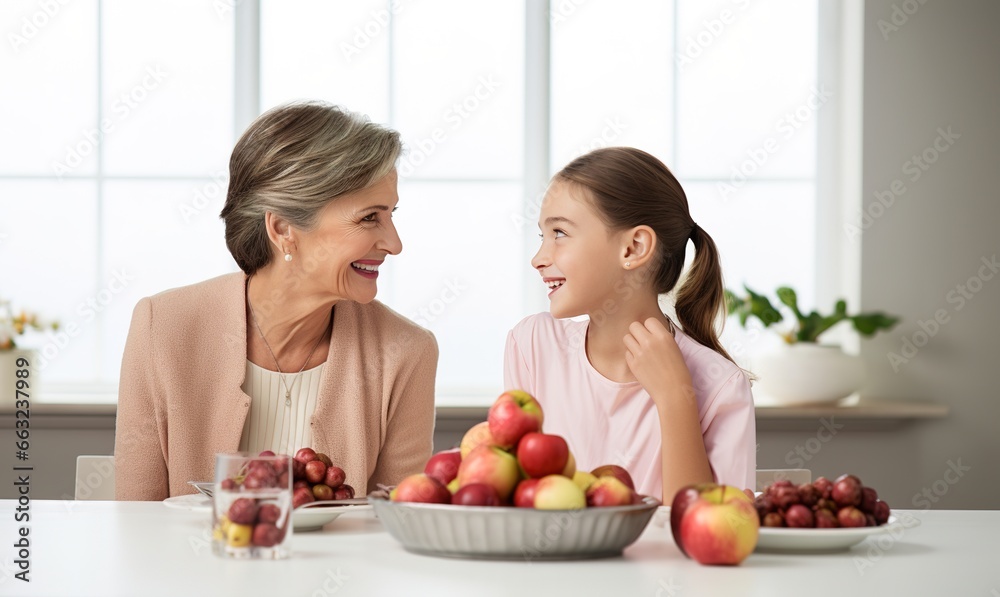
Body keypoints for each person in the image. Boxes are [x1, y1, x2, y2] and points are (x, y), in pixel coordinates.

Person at [114, 101, 438, 500]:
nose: (394, 243)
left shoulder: (406, 351)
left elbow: (397, 527)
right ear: (283, 227)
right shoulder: (162, 327)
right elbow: (134, 523)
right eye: (370, 217)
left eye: (391, 215)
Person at [503, 147, 755, 502]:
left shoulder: (722, 387)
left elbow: (704, 528)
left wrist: (674, 398)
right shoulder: (532, 346)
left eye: (559, 233)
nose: (538, 259)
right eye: (541, 236)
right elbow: (512, 502)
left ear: (633, 248)